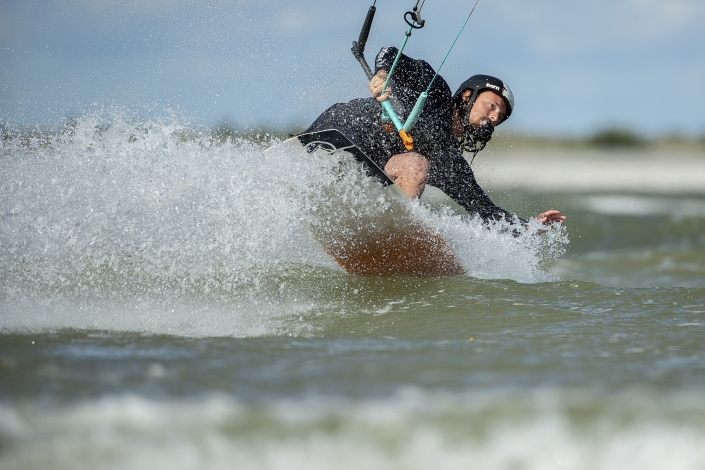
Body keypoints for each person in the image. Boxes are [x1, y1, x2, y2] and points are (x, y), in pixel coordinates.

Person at [304, 46, 565, 228]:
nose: (495, 117)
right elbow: (390, 53)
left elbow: (486, 212)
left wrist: (530, 227)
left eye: (501, 116)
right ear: (467, 96)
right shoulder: (435, 91)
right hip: (341, 128)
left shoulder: (448, 161)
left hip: (362, 171)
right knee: (416, 164)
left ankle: (388, 239)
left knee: (414, 167)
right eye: (492, 106)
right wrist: (383, 74)